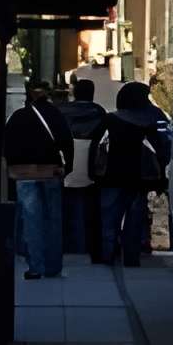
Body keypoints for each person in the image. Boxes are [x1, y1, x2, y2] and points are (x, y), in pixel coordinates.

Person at [0, 83, 70, 282]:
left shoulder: (18, 117)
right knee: (53, 219)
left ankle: (35, 266)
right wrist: (67, 168)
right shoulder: (56, 115)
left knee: (31, 220)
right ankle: (53, 266)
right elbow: (66, 141)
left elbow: (7, 145)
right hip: (51, 172)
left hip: (24, 174)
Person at [98, 80, 173, 269]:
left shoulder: (110, 119)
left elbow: (98, 148)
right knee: (135, 219)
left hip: (112, 177)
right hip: (141, 178)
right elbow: (166, 146)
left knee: (109, 218)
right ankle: (132, 257)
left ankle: (107, 255)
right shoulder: (154, 117)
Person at [60, 76, 109, 262]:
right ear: (92, 93)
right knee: (89, 211)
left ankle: (67, 245)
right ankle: (85, 247)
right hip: (90, 168)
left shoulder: (61, 111)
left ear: (74, 92)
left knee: (64, 209)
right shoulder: (99, 112)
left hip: (65, 164)